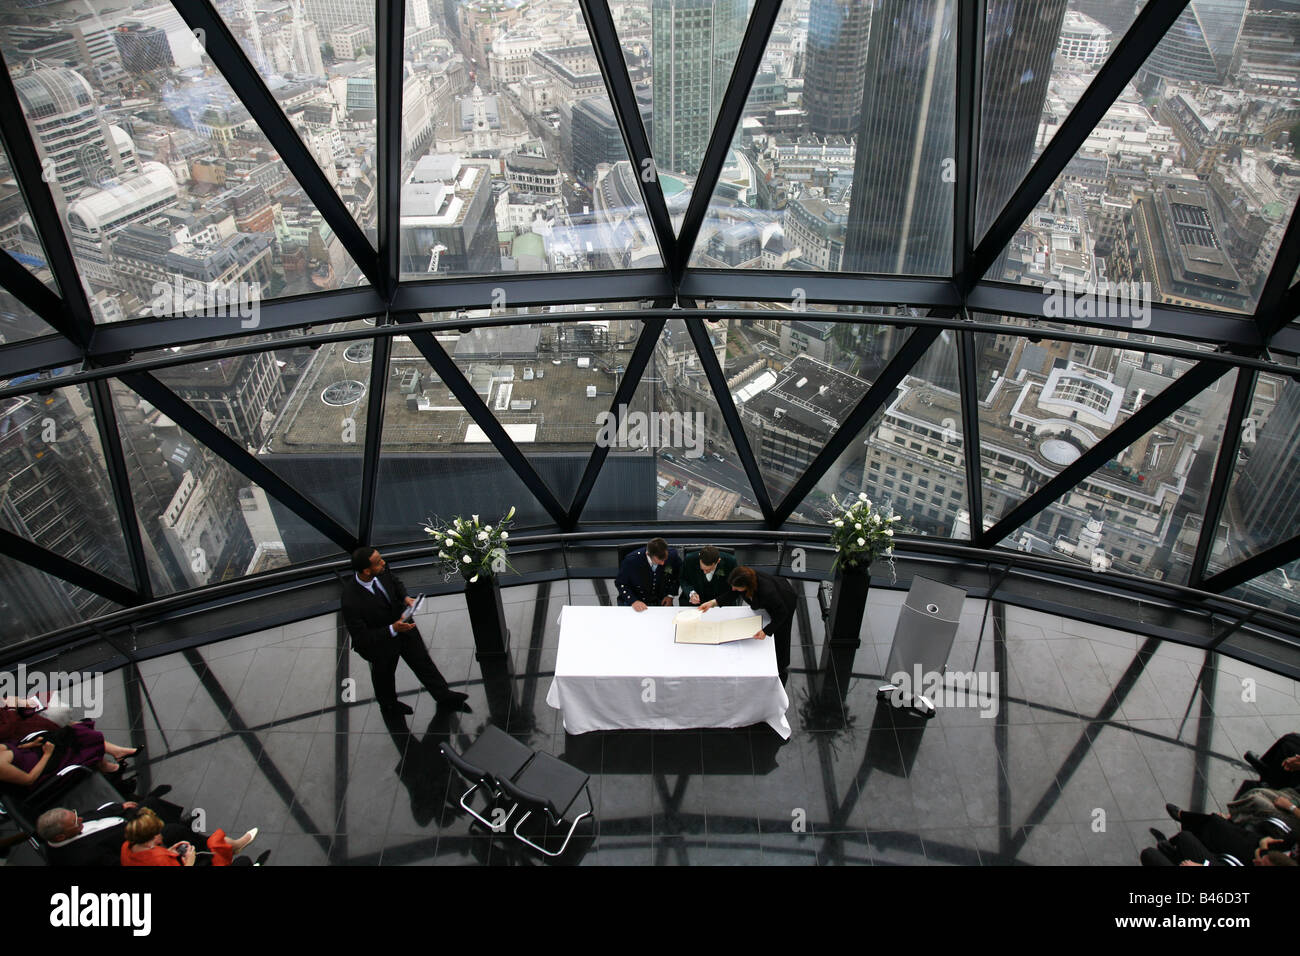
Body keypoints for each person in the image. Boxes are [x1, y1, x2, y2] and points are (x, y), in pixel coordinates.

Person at [341, 547, 469, 718]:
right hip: (380, 643)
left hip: (404, 626)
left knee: (422, 661)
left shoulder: (382, 571)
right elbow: (362, 637)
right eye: (378, 562)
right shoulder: (350, 599)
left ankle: (443, 695)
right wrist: (392, 629)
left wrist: (405, 597)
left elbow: (395, 583)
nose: (384, 563)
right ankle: (389, 706)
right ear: (366, 570)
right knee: (384, 675)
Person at [699, 566, 799, 683]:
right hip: (774, 598)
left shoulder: (767, 592)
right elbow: (733, 593)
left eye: (736, 587)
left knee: (782, 633)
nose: (733, 588)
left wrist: (766, 631)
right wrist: (713, 603)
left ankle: (781, 666)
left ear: (746, 586)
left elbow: (782, 613)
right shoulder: (743, 578)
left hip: (785, 600)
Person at [37, 787, 182, 866]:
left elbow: (95, 814)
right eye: (76, 822)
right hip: (137, 838)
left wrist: (119, 807)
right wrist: (148, 844)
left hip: (125, 819)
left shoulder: (71, 823)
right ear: (61, 836)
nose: (81, 818)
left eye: (75, 814)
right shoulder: (81, 858)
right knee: (173, 831)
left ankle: (180, 821)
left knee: (151, 802)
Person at [120, 807, 257, 867]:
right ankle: (231, 848)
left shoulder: (127, 847)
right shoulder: (161, 860)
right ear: (150, 841)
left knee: (174, 831)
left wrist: (171, 851)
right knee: (244, 862)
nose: (160, 835)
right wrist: (189, 862)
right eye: (157, 834)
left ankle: (232, 847)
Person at [615, 537, 681, 610]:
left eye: (665, 559)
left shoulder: (672, 555)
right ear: (648, 554)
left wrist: (670, 595)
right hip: (636, 598)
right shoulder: (631, 561)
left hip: (660, 599)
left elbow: (677, 575)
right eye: (659, 560)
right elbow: (621, 583)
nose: (663, 563)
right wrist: (633, 601)